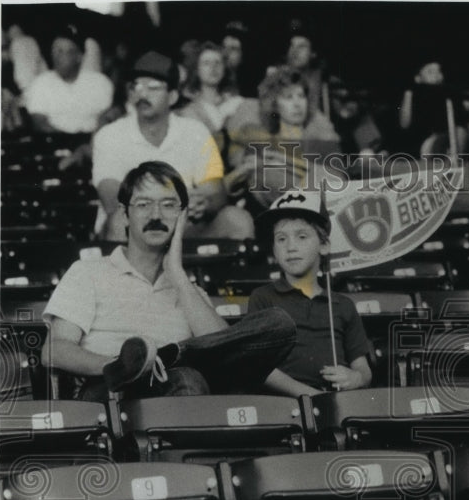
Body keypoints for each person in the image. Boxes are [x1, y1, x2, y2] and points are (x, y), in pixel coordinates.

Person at [40, 161, 296, 402]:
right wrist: (116, 364)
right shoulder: (88, 272)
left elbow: (223, 348)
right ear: (125, 214)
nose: (156, 214)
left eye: (168, 205)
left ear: (182, 216)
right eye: (143, 204)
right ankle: (159, 361)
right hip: (111, 390)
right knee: (188, 377)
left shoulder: (189, 290)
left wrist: (176, 273)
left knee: (279, 323)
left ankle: (169, 357)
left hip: (187, 387)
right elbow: (55, 351)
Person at [91, 50, 254, 241]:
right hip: (136, 228)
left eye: (153, 87)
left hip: (185, 227)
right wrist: (169, 204)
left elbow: (216, 192)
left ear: (173, 96)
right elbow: (112, 199)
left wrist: (204, 203)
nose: (142, 94)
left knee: (237, 220)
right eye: (136, 86)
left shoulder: (196, 131)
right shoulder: (110, 135)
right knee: (119, 220)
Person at [247, 190, 372, 398]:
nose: (291, 247)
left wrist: (355, 378)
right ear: (274, 251)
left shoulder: (342, 305)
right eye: (281, 239)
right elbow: (260, 368)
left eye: (302, 236)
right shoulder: (263, 298)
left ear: (324, 246)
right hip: (285, 404)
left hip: (338, 401)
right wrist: (311, 397)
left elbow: (363, 369)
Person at [225, 67, 341, 211]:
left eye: (301, 96)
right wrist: (245, 169)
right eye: (288, 97)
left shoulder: (323, 144)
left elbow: (338, 183)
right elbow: (228, 189)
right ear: (275, 105)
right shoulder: (261, 145)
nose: (297, 104)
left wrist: (284, 161)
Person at [23, 22, 113, 135]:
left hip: (94, 142)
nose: (58, 56)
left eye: (64, 52)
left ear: (79, 57)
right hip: (56, 143)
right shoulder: (40, 83)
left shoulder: (100, 83)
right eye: (55, 51)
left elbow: (110, 117)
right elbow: (39, 123)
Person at [178, 42, 244, 135]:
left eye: (218, 62)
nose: (213, 67)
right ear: (197, 70)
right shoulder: (188, 110)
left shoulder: (236, 103)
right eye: (206, 63)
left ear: (224, 68)